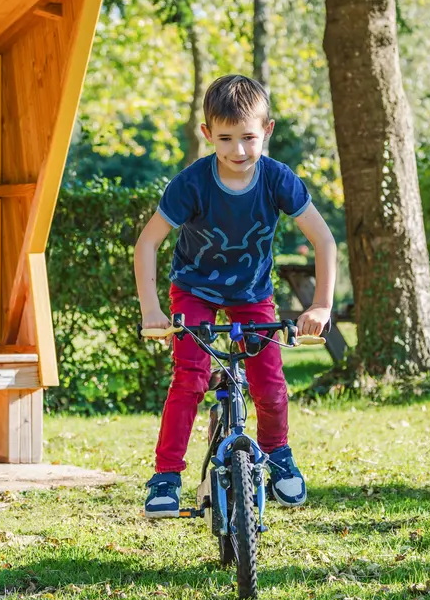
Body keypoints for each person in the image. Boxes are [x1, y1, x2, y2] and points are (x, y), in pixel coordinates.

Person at [133, 75, 337, 518]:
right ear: (207, 134)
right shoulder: (191, 184)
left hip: (251, 292)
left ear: (267, 130)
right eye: (225, 138)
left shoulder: (278, 179)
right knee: (189, 378)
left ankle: (278, 455)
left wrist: (320, 304)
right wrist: (151, 309)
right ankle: (165, 476)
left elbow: (323, 241)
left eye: (248, 137)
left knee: (269, 381)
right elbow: (147, 243)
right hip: (194, 290)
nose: (238, 151)